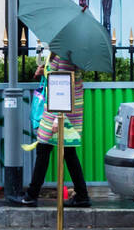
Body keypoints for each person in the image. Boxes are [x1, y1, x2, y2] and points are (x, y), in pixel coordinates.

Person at [20, 51, 90, 207]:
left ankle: (32, 195)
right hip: (56, 110)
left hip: (60, 112)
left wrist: (60, 118)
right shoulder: (58, 54)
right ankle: (82, 195)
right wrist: (44, 69)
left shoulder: (64, 56)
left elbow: (64, 87)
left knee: (46, 150)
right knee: (66, 153)